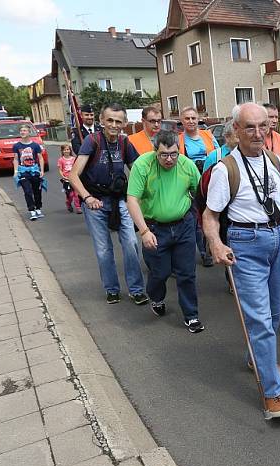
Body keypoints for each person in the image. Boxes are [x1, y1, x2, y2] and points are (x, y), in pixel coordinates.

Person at [203, 102, 280, 420]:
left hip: (277, 238)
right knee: (260, 320)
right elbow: (210, 215)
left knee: (276, 312)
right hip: (245, 243)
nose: (257, 133)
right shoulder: (225, 169)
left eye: (262, 126)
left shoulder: (273, 160)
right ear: (236, 130)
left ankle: (257, 357)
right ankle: (272, 393)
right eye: (249, 127)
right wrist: (215, 243)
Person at [68, 103, 148, 306]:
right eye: (110, 120)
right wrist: (87, 198)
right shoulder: (91, 140)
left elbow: (139, 171)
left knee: (130, 243)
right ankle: (112, 289)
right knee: (104, 249)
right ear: (102, 121)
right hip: (96, 200)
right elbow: (73, 175)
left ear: (124, 123)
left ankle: (136, 289)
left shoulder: (124, 143)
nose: (114, 124)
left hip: (120, 199)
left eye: (118, 121)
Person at [126, 130, 204, 332]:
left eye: (173, 154)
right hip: (154, 228)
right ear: (155, 151)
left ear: (178, 151)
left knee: (187, 273)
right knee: (160, 273)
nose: (169, 159)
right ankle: (157, 297)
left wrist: (205, 223)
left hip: (183, 225)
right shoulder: (143, 165)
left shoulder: (186, 165)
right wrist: (143, 232)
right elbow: (132, 200)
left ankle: (191, 315)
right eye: (163, 154)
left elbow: (201, 193)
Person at [178, 106, 220, 267]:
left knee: (213, 214)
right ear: (182, 121)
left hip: (209, 180)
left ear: (198, 119)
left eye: (193, 118)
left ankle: (213, 245)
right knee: (197, 217)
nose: (190, 121)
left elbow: (217, 154)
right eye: (187, 118)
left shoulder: (207, 135)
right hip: (189, 182)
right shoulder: (179, 139)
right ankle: (204, 252)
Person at [12, 124, 46, 220]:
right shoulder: (17, 146)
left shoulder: (35, 145)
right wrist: (15, 171)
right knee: (27, 191)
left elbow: (40, 158)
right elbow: (15, 159)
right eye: (21, 131)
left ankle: (38, 208)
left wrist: (41, 171)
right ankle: (31, 210)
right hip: (23, 172)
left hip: (34, 171)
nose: (23, 132)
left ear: (29, 132)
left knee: (37, 191)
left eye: (25, 130)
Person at [57, 144, 81, 214]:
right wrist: (63, 176)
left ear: (70, 150)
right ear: (62, 151)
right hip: (67, 180)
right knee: (70, 194)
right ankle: (68, 203)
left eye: (68, 149)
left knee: (76, 194)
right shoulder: (61, 160)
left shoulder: (73, 159)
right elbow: (60, 170)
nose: (66, 151)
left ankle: (78, 207)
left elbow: (77, 167)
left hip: (74, 178)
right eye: (65, 150)